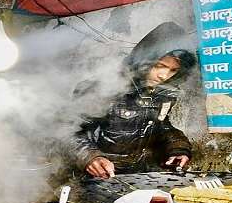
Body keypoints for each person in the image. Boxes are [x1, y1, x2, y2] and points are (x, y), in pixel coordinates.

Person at [73, 22, 196, 179]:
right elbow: (66, 132)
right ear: (144, 59)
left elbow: (161, 126)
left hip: (140, 177)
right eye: (159, 66)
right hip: (99, 179)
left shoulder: (162, 93)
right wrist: (89, 157)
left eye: (173, 70)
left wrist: (178, 148)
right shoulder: (104, 87)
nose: (164, 76)